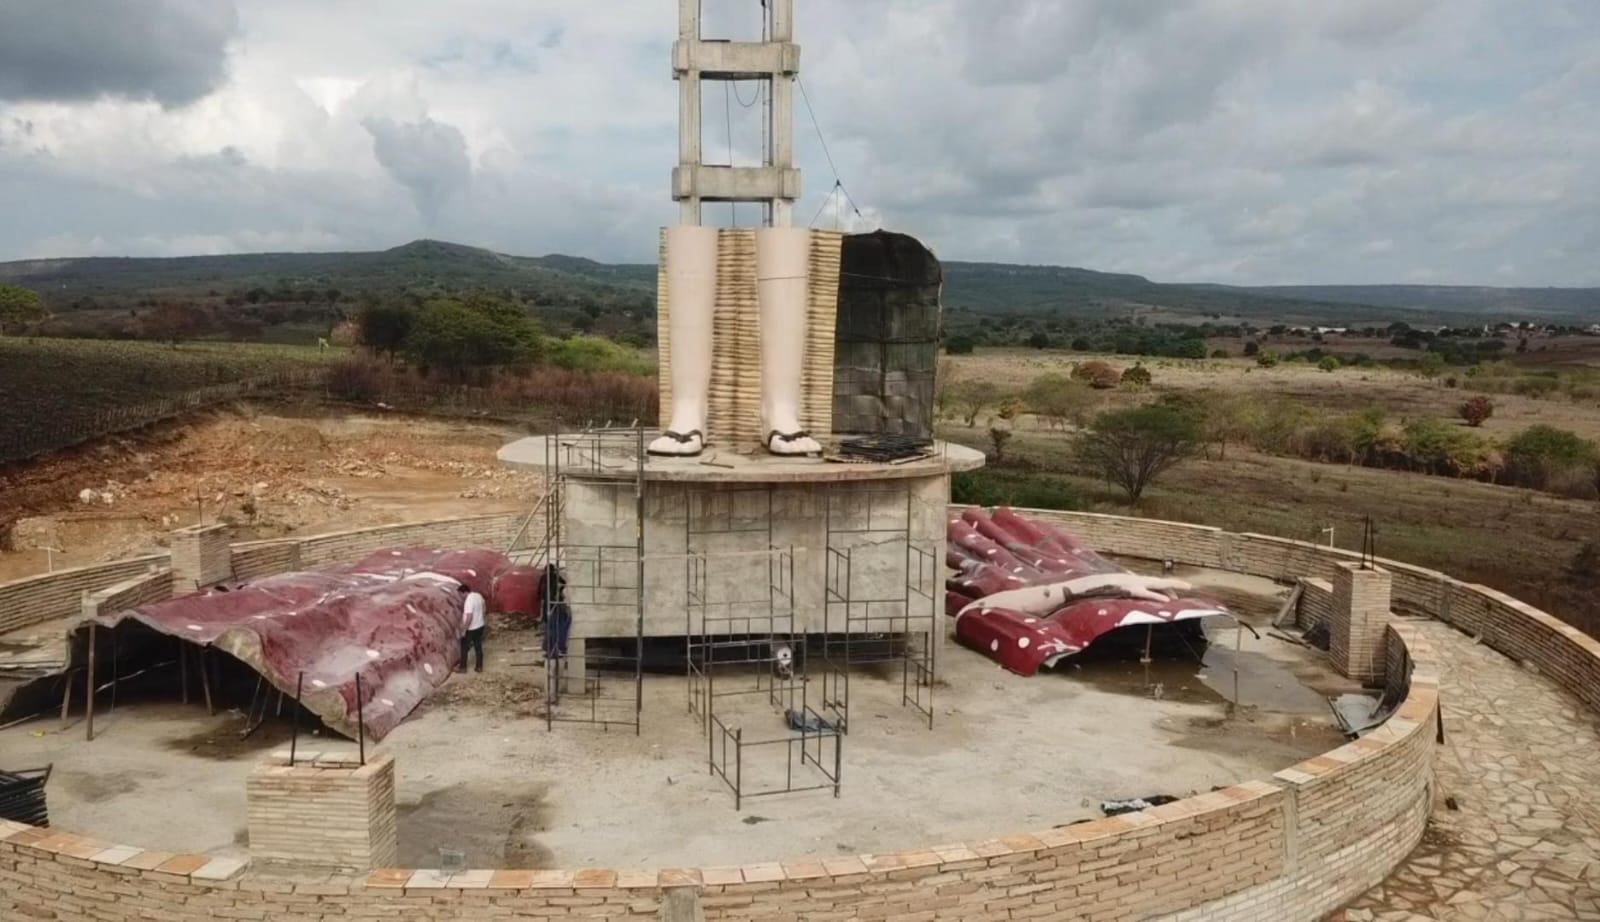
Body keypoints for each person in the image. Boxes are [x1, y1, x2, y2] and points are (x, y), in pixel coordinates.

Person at [458, 584, 487, 673]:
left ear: (464, 592)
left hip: (471, 628)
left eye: (460, 594)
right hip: (480, 626)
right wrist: (481, 618)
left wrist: (464, 629)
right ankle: (479, 667)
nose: (461, 596)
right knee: (478, 646)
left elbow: (469, 617)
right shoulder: (478, 595)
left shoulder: (468, 601)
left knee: (464, 647)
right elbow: (484, 607)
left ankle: (462, 668)